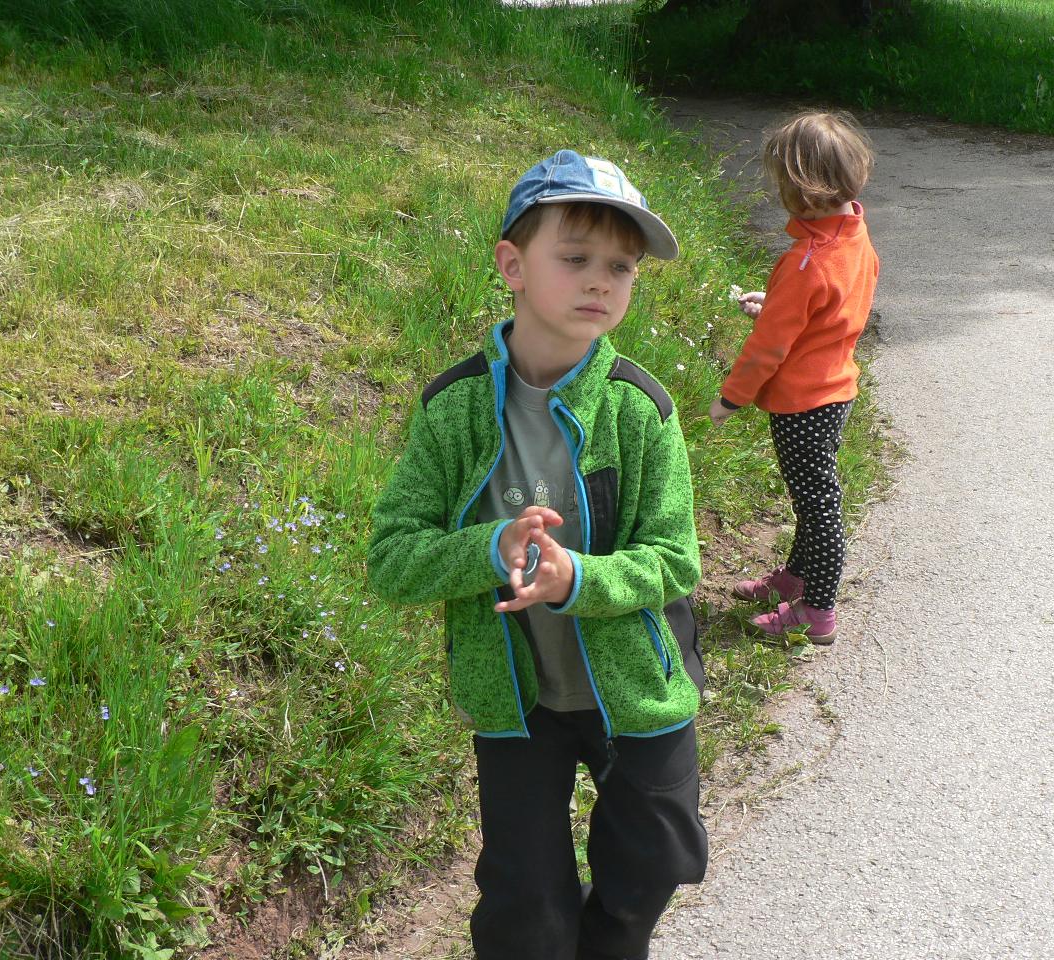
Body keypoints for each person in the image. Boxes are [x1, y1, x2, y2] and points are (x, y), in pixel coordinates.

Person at [368, 150, 707, 960]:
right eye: (576, 258)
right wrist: (491, 548)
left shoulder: (640, 408)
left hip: (639, 691)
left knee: (655, 863)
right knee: (525, 907)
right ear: (512, 266)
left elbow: (675, 559)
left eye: (621, 267)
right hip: (518, 703)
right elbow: (392, 558)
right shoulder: (452, 410)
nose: (601, 282)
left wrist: (577, 578)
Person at [708, 110, 879, 646]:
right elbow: (830, 310)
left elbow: (769, 348)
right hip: (836, 391)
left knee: (818, 506)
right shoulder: (853, 237)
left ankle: (817, 610)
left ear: (800, 191)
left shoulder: (806, 261)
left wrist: (731, 399)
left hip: (803, 405)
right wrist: (779, 303)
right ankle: (796, 578)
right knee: (810, 494)